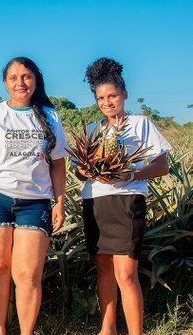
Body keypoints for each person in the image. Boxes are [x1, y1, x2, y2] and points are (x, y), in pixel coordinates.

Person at [0, 57, 68, 335]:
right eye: (14, 77)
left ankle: (26, 331)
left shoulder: (50, 116)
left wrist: (60, 202)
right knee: (0, 268)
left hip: (35, 201)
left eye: (26, 76)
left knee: (28, 274)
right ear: (5, 82)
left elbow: (58, 164)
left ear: (36, 80)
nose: (21, 82)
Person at [76, 57, 171, 335]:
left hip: (128, 201)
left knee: (126, 274)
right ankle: (108, 329)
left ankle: (135, 332)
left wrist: (130, 175)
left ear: (124, 94)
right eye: (101, 98)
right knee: (103, 268)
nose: (107, 102)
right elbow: (80, 173)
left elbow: (161, 165)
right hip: (95, 201)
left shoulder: (141, 124)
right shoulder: (94, 129)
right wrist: (85, 170)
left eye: (112, 96)